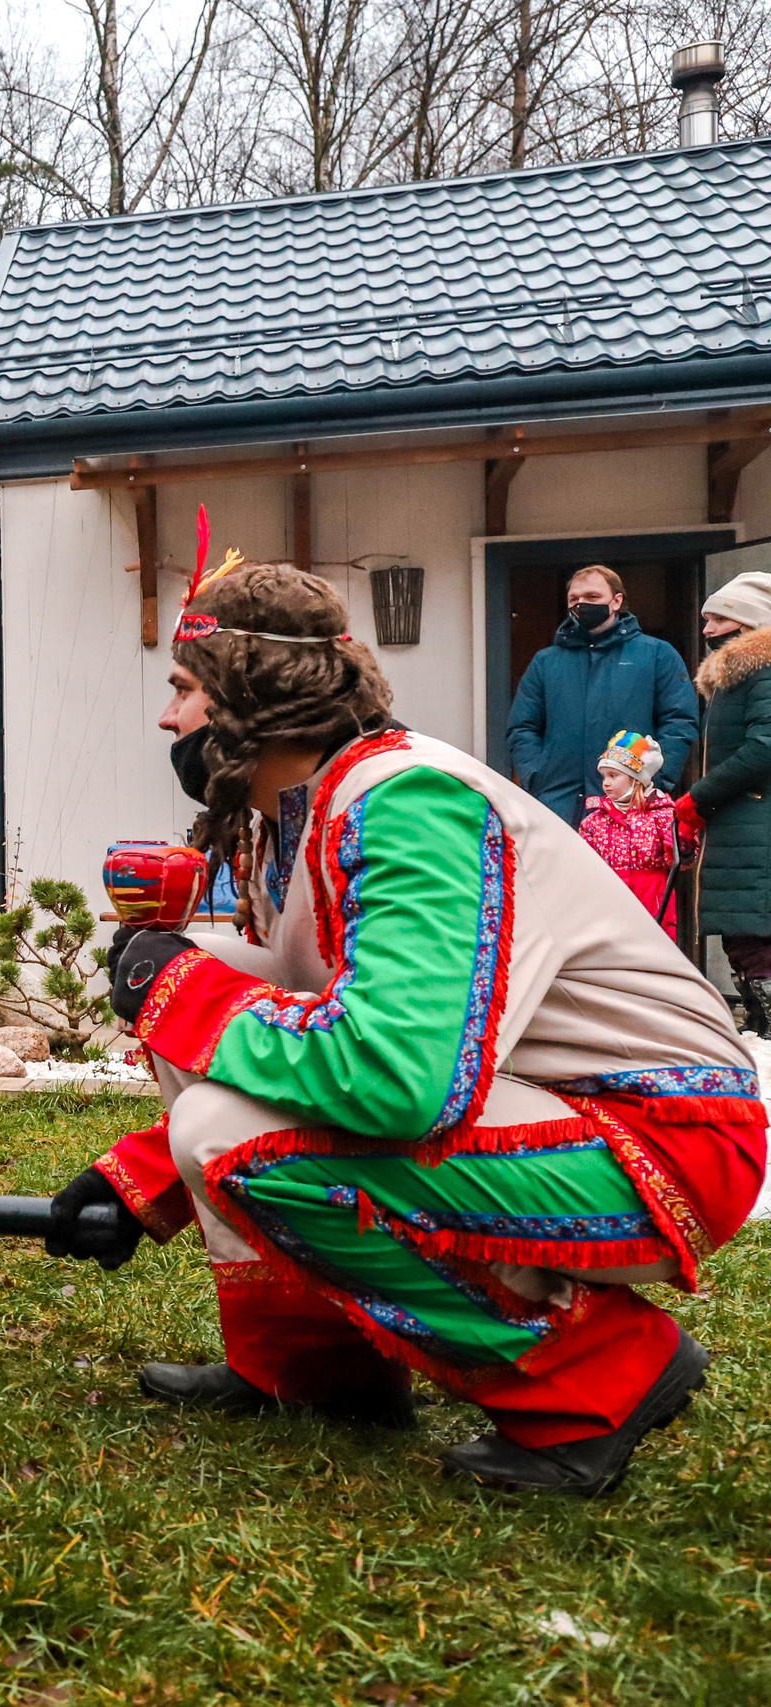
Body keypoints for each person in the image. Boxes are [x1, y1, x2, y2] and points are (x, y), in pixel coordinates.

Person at [49, 554, 763, 1496]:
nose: (167, 717)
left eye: (184, 690)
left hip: (662, 1135)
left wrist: (182, 994)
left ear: (251, 699)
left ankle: (601, 1371)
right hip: (543, 1107)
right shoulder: (293, 818)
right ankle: (320, 1370)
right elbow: (302, 1033)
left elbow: (397, 1078)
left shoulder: (407, 802)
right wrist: (139, 1178)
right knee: (212, 981)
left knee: (215, 1073)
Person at [506, 565, 698, 828]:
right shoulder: (546, 662)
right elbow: (522, 727)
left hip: (630, 810)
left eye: (592, 597)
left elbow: (679, 722)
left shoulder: (656, 655)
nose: (581, 604)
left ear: (616, 600)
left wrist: (653, 782)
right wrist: (537, 778)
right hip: (558, 807)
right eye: (574, 599)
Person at [688, 570, 771, 1034]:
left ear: (745, 622)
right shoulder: (738, 680)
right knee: (744, 937)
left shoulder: (762, 672)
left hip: (755, 825)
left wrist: (697, 798)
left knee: (755, 937)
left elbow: (765, 747)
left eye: (717, 618)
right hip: (743, 823)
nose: (706, 630)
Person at [574, 730, 681, 934]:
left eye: (614, 776)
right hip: (609, 904)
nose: (606, 783)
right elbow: (583, 866)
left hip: (652, 902)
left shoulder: (662, 814)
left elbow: (679, 859)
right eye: (604, 776)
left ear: (636, 779)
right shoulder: (595, 820)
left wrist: (681, 842)